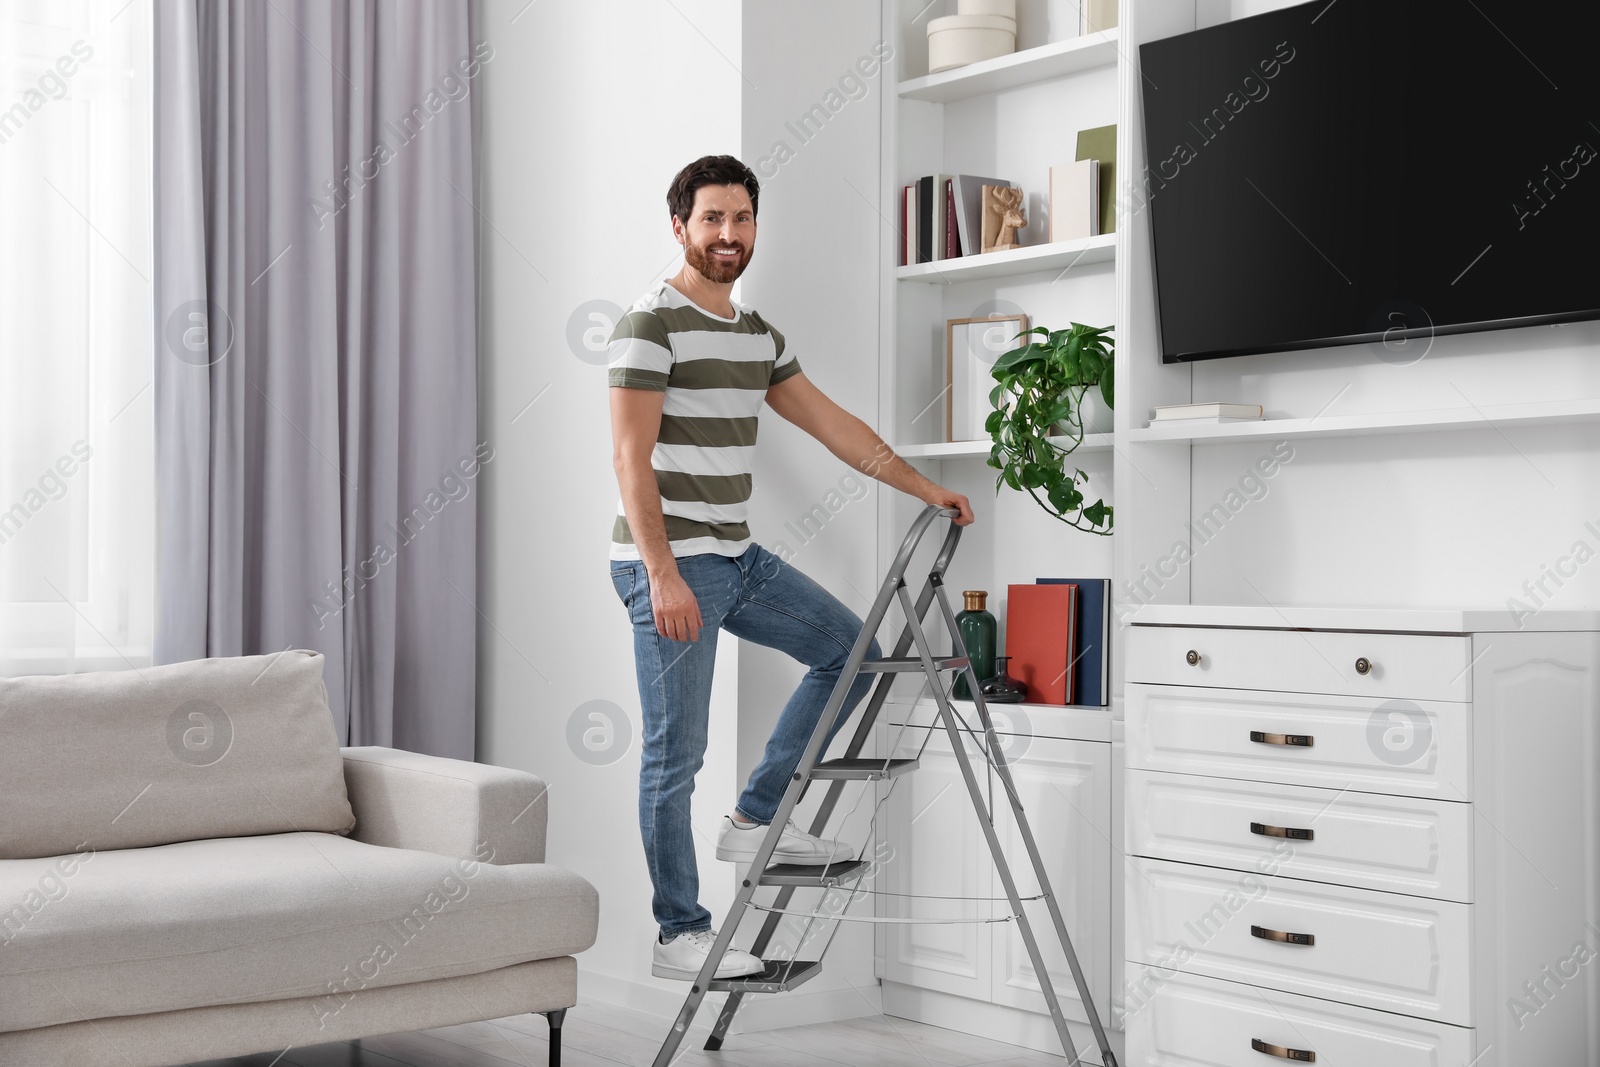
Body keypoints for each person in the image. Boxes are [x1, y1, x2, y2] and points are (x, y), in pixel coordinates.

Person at [606, 154, 974, 982]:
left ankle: (757, 814)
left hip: (736, 557)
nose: (727, 235)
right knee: (675, 753)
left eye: (740, 219)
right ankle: (679, 932)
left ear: (754, 225)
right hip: (669, 562)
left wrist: (923, 487)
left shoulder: (756, 335)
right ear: (680, 226)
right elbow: (630, 461)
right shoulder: (650, 323)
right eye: (711, 219)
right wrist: (660, 573)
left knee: (852, 651)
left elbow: (832, 425)